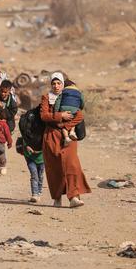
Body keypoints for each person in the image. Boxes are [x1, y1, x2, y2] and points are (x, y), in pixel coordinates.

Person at [40, 72, 90, 208]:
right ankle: (57, 198)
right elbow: (44, 116)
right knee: (54, 168)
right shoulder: (46, 97)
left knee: (72, 165)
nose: (56, 86)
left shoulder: (70, 98)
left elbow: (79, 115)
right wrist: (60, 115)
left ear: (63, 84)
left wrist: (64, 125)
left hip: (69, 137)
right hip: (51, 136)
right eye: (53, 83)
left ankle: (74, 197)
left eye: (59, 83)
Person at [54, 79, 85, 145]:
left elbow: (58, 102)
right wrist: (80, 108)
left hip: (64, 108)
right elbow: (82, 101)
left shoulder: (63, 91)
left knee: (64, 123)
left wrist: (56, 111)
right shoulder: (79, 92)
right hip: (75, 109)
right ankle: (72, 132)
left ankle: (66, 138)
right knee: (72, 121)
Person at [0, 107, 12, 176]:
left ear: (0, 115)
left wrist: (10, 142)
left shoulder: (3, 124)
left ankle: (3, 167)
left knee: (1, 155)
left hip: (1, 142)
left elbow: (7, 133)